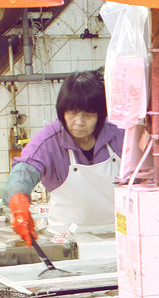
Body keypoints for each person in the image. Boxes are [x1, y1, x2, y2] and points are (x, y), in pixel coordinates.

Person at [7, 70, 125, 242]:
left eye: (89, 115)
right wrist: (18, 203)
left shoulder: (120, 134)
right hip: (66, 238)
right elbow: (24, 171)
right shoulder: (48, 141)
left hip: (119, 234)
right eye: (72, 113)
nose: (79, 122)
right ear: (62, 112)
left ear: (101, 115)